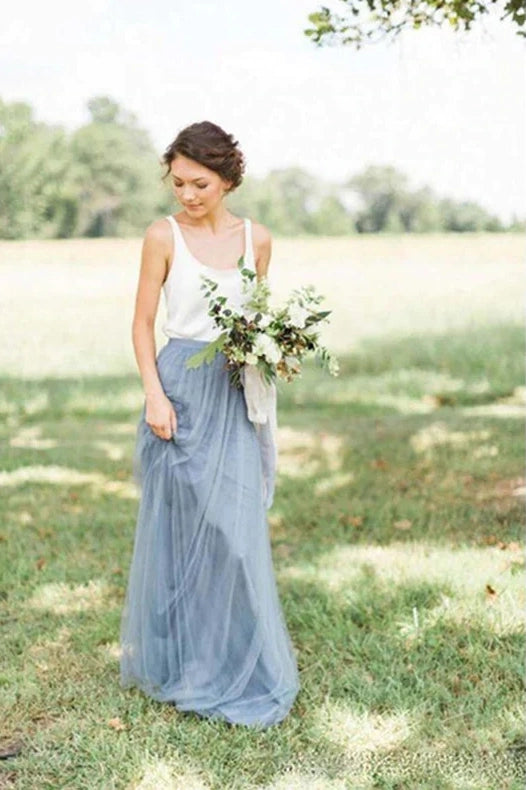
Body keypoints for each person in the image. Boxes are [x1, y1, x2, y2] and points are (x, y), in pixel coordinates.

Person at [119, 120, 300, 728]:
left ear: (226, 179)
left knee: (236, 534)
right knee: (183, 534)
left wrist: (276, 349)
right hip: (179, 390)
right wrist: (154, 395)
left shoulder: (258, 239)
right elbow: (143, 324)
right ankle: (187, 665)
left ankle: (243, 667)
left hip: (234, 391)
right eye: (178, 183)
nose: (187, 196)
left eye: (199, 183)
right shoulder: (161, 236)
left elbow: (258, 320)